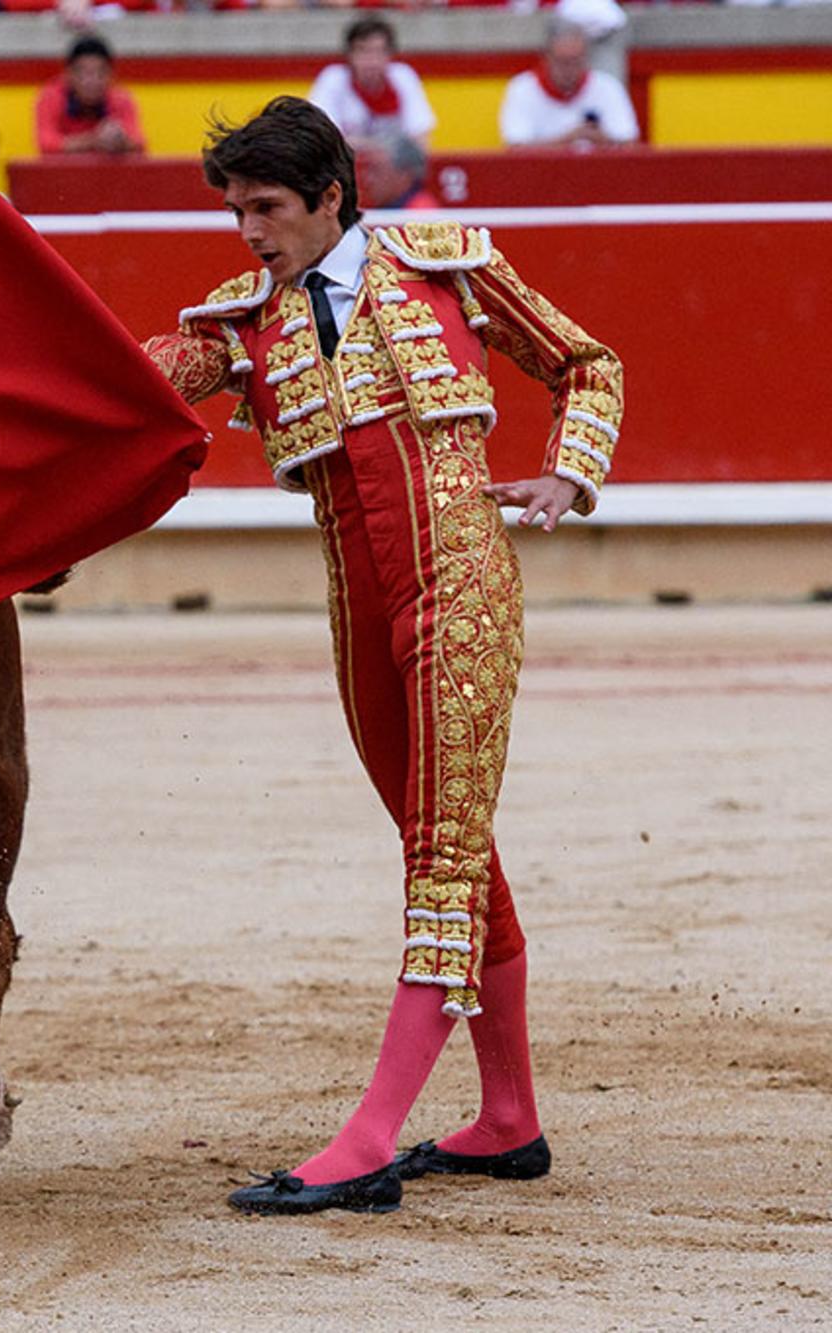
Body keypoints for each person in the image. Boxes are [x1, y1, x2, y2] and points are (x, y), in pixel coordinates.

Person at [139, 96, 622, 1215]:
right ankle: (506, 1118)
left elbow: (584, 362)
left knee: (440, 855)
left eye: (265, 208)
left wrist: (568, 472)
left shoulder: (443, 267)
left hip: (460, 589)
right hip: (356, 607)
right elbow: (140, 381)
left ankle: (366, 1139)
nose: (248, 232)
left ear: (328, 198)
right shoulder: (242, 316)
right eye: (233, 212)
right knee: (441, 838)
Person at [499, 21, 640, 148]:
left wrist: (601, 139)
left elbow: (628, 143)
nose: (569, 70)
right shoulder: (522, 89)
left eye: (576, 61)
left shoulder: (608, 87)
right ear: (546, 58)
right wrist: (569, 139)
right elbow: (516, 147)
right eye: (563, 62)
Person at [307, 19, 437, 153]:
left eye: (379, 51)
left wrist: (362, 144)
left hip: (394, 171)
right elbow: (324, 139)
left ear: (390, 55)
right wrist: (386, 147)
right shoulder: (333, 78)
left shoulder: (403, 76)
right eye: (364, 51)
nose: (372, 60)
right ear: (350, 55)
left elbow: (421, 139)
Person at [35, 37, 145, 157]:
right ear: (69, 74)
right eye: (85, 73)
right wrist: (93, 140)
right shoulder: (51, 97)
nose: (92, 81)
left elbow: (139, 144)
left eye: (101, 73)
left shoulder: (120, 99)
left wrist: (121, 143)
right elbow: (46, 144)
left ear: (111, 75)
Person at [358, 134, 437, 211]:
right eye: (369, 171)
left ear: (404, 175)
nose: (369, 179)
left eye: (377, 171)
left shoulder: (421, 213)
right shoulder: (384, 208)